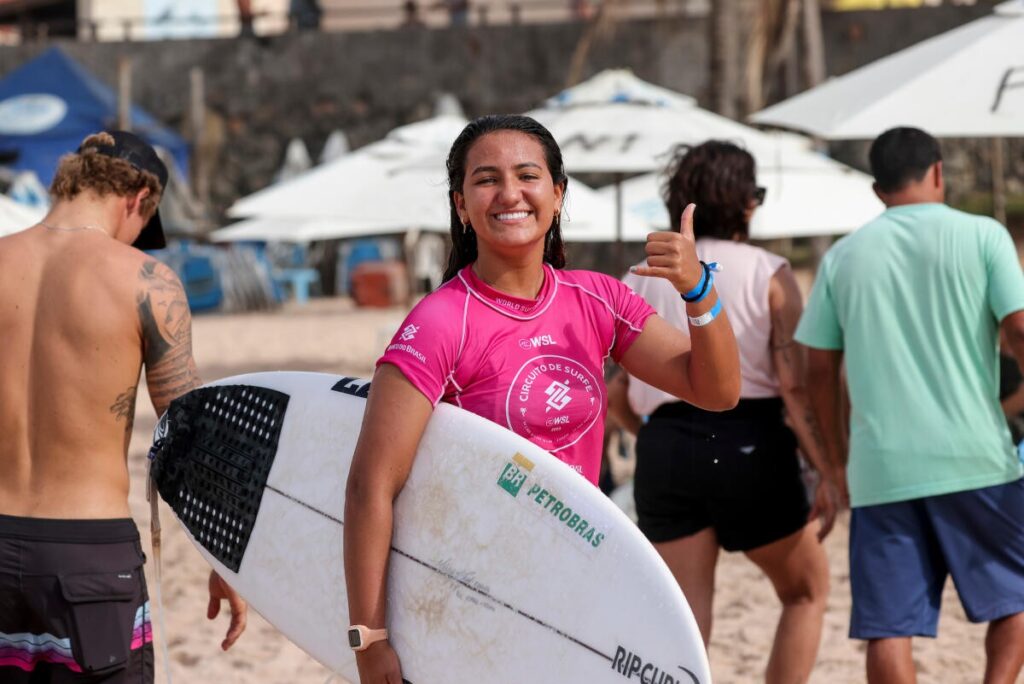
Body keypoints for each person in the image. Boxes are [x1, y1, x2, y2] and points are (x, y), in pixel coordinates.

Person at [343, 114, 741, 684]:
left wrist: (698, 288)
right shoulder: (440, 322)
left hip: (577, 584)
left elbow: (717, 389)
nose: (509, 194)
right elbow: (371, 485)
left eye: (527, 176)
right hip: (472, 593)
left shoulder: (596, 300)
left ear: (557, 194)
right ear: (461, 205)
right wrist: (369, 637)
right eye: (486, 180)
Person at [0, 131, 247, 683]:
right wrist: (223, 558)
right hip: (88, 560)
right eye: (142, 225)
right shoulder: (145, 280)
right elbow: (188, 436)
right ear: (136, 198)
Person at [797, 127, 1024, 684]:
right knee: (1016, 598)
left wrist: (834, 459)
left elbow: (816, 370)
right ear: (939, 172)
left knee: (888, 626)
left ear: (876, 190)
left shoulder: (842, 258)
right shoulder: (984, 236)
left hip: (881, 468)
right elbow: (1019, 328)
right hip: (976, 458)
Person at [610, 141, 838, 683]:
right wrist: (828, 467)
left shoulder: (639, 276)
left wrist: (652, 435)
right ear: (744, 202)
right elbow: (793, 386)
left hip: (664, 447)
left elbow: (618, 394)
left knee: (685, 624)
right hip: (749, 444)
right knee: (806, 590)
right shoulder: (770, 272)